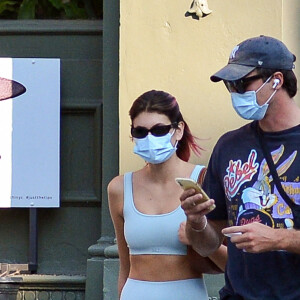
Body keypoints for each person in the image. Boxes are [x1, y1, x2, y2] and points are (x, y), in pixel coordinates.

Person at [180, 35, 300, 300]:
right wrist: (197, 222)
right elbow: (208, 244)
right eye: (229, 86)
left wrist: (279, 239)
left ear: (276, 81)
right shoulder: (229, 146)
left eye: (241, 83)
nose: (234, 93)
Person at [108, 90, 227, 300]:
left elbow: (230, 263)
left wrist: (197, 234)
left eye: (159, 130)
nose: (150, 138)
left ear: (178, 130)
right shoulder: (119, 188)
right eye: (140, 132)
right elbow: (124, 266)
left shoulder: (203, 180)